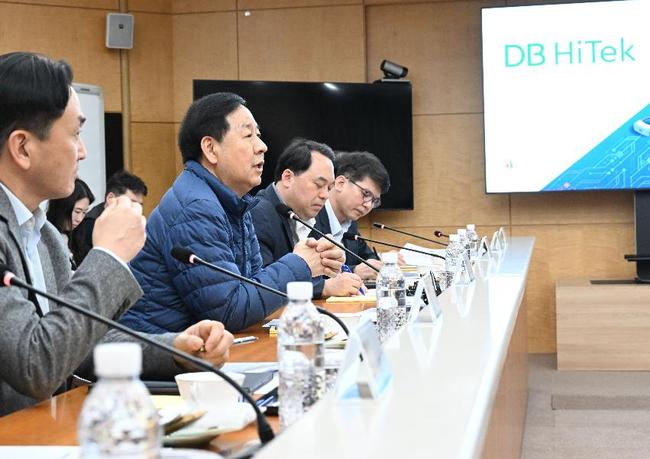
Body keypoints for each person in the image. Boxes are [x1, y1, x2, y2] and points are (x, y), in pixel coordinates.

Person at [0, 52, 232, 416]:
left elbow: (76, 342)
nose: (83, 151)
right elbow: (36, 364)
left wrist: (175, 349)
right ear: (23, 148)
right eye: (75, 134)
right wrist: (107, 256)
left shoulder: (43, 236)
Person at [119, 93, 345, 334]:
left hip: (202, 347)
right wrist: (300, 265)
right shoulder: (196, 207)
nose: (262, 146)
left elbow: (253, 287)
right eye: (248, 135)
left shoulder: (234, 203)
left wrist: (313, 264)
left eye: (258, 135)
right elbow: (228, 311)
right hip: (157, 351)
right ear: (211, 149)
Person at [251, 139, 364, 298]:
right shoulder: (258, 212)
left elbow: (315, 271)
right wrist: (324, 287)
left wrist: (335, 268)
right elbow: (261, 283)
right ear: (288, 178)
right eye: (319, 184)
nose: (325, 195)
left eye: (329, 188)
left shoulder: (307, 214)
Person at [314, 151, 391, 280]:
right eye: (366, 194)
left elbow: (367, 257)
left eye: (374, 200)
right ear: (340, 183)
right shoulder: (311, 216)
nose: (368, 205)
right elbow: (309, 273)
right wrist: (354, 271)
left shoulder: (350, 223)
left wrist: (386, 262)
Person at [74, 170, 148, 264]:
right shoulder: (88, 226)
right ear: (110, 198)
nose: (136, 210)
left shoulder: (134, 227)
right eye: (131, 203)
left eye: (139, 205)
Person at [46, 178, 95, 268]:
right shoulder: (43, 235)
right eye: (77, 211)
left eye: (84, 212)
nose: (79, 219)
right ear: (63, 206)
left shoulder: (81, 235)